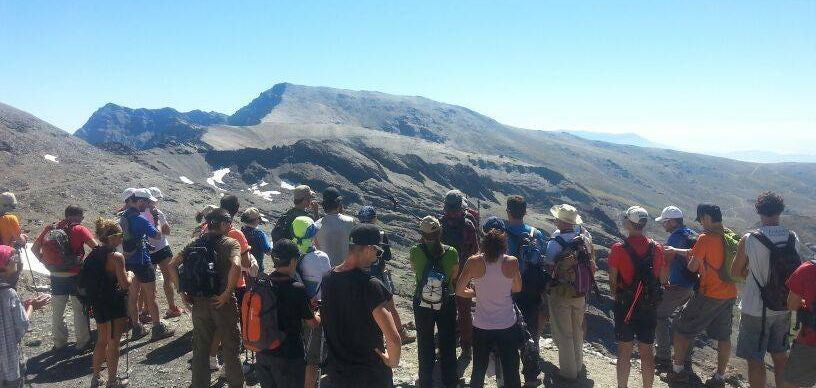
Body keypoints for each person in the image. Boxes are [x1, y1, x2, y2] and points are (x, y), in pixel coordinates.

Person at [730, 192, 801, 388]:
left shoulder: (750, 239)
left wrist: (753, 274)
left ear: (759, 211)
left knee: (755, 359)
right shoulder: (792, 237)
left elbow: (735, 271)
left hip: (756, 309)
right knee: (780, 357)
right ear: (780, 210)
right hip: (783, 306)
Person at [320, 224, 401, 387]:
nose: (378, 256)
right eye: (378, 251)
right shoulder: (370, 285)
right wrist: (392, 361)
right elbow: (393, 339)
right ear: (369, 248)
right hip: (369, 374)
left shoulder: (328, 277)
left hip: (339, 372)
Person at [667, 204, 738, 387]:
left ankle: (678, 371)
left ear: (706, 217)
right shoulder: (729, 235)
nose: (701, 224)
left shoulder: (705, 238)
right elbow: (700, 253)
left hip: (709, 294)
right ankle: (719, 377)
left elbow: (692, 265)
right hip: (729, 294)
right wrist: (676, 251)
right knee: (724, 337)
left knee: (681, 328)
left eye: (701, 220)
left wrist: (691, 261)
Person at [172, 209, 244, 388]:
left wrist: (181, 291)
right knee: (231, 348)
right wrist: (227, 292)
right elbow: (236, 265)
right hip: (223, 302)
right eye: (228, 223)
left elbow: (172, 265)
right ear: (223, 224)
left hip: (199, 302)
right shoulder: (230, 243)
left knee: (200, 348)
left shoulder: (194, 243)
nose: (230, 226)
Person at [609, 206, 667, 388]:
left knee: (624, 349)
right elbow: (663, 279)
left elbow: (612, 281)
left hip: (625, 305)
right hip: (648, 306)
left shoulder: (618, 249)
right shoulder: (657, 248)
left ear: (629, 223)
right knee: (646, 350)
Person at [457, 227, 523, 388]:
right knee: (511, 368)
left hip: (482, 325)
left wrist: (477, 292)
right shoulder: (512, 262)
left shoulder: (473, 262)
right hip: (507, 324)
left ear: (483, 244)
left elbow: (459, 290)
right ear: (503, 245)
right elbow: (517, 288)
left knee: (478, 368)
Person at [255, 239, 321, 388]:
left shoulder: (262, 284)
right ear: (293, 261)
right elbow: (312, 323)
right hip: (288, 354)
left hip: (263, 350)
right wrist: (320, 314)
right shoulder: (296, 288)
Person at [31, 205, 96, 351]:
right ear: (78, 216)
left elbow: (34, 249)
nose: (82, 220)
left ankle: (59, 342)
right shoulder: (79, 229)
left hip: (56, 275)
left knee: (58, 311)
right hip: (76, 275)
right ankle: (83, 342)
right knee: (79, 309)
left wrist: (45, 262)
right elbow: (96, 248)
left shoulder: (51, 228)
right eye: (82, 217)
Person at [544, 204, 596, 381]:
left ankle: (568, 372)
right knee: (577, 331)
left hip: (561, 293)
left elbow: (549, 267)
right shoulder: (584, 239)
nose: (555, 220)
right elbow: (592, 265)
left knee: (564, 333)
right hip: (580, 292)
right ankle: (578, 366)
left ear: (560, 221)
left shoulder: (556, 241)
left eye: (557, 218)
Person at [409, 216, 460, 388]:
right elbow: (454, 276)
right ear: (440, 232)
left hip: (422, 301)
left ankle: (425, 381)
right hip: (447, 300)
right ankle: (450, 381)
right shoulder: (452, 251)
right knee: (448, 340)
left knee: (424, 341)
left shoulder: (415, 250)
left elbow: (416, 272)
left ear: (422, 234)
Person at [119, 188, 175, 340]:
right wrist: (156, 221)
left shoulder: (123, 217)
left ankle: (136, 328)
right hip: (142, 260)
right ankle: (157, 327)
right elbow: (157, 236)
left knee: (133, 295)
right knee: (151, 294)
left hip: (129, 261)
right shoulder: (140, 220)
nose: (148, 204)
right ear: (140, 201)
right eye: (146, 202)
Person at [504, 196, 546, 386]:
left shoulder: (502, 234)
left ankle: (510, 375)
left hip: (509, 289)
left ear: (508, 211)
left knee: (509, 331)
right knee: (531, 330)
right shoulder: (536, 233)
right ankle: (531, 374)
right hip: (532, 289)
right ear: (525, 212)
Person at [86, 218, 133, 388]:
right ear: (112, 237)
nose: (122, 238)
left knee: (101, 340)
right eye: (120, 234)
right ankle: (112, 381)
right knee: (114, 342)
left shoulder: (93, 253)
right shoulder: (116, 257)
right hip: (115, 304)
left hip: (98, 303)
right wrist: (130, 275)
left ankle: (96, 377)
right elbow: (124, 284)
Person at [358, 206, 413, 344]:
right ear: (374, 219)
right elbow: (387, 256)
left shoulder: (356, 234)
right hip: (379, 274)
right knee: (389, 305)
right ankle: (400, 334)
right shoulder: (381, 234)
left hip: (362, 273)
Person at [653, 206, 697, 371]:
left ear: (672, 221)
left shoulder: (675, 238)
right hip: (693, 285)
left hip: (678, 285)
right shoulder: (692, 233)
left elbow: (667, 262)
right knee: (685, 322)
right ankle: (685, 359)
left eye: (665, 222)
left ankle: (663, 357)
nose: (663, 225)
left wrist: (663, 282)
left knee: (659, 315)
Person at [0, 245, 50, 388]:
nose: (16, 261)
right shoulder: (9, 293)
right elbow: (22, 325)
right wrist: (31, 307)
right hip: (9, 359)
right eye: (13, 258)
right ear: (5, 265)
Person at [440, 189, 480, 366]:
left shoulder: (439, 224)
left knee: (443, 311)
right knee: (464, 312)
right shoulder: (468, 225)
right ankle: (466, 348)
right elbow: (474, 250)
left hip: (443, 274)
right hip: (463, 274)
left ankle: (444, 347)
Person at [291, 215, 331, 388]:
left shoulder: (290, 253)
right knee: (313, 357)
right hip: (313, 311)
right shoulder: (321, 258)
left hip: (293, 310)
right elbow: (327, 281)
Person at [141, 187, 183, 319]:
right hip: (162, 248)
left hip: (148, 250)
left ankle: (146, 310)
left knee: (147, 283)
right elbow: (166, 231)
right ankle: (172, 307)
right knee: (168, 279)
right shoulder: (158, 213)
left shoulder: (139, 214)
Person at [783, 259, 816, 387]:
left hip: (809, 342)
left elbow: (792, 304)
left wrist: (805, 304)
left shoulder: (808, 269)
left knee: (791, 383)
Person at [314, 187, 356, 266]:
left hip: (327, 271)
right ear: (339, 204)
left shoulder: (316, 225)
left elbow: (317, 248)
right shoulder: (350, 221)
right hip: (346, 269)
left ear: (324, 206)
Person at [241, 207, 273, 274]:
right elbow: (268, 251)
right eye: (259, 218)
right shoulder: (259, 234)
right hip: (257, 268)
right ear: (256, 220)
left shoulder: (241, 230)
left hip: (243, 265)